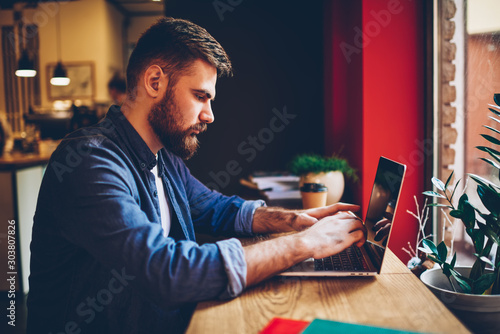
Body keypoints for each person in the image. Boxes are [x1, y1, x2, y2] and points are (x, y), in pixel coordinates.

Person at [27, 18, 366, 334]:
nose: (210, 115)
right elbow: (166, 270)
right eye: (200, 96)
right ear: (155, 81)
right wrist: (304, 244)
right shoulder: (89, 160)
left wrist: (295, 220)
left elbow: (217, 208)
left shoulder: (163, 157)